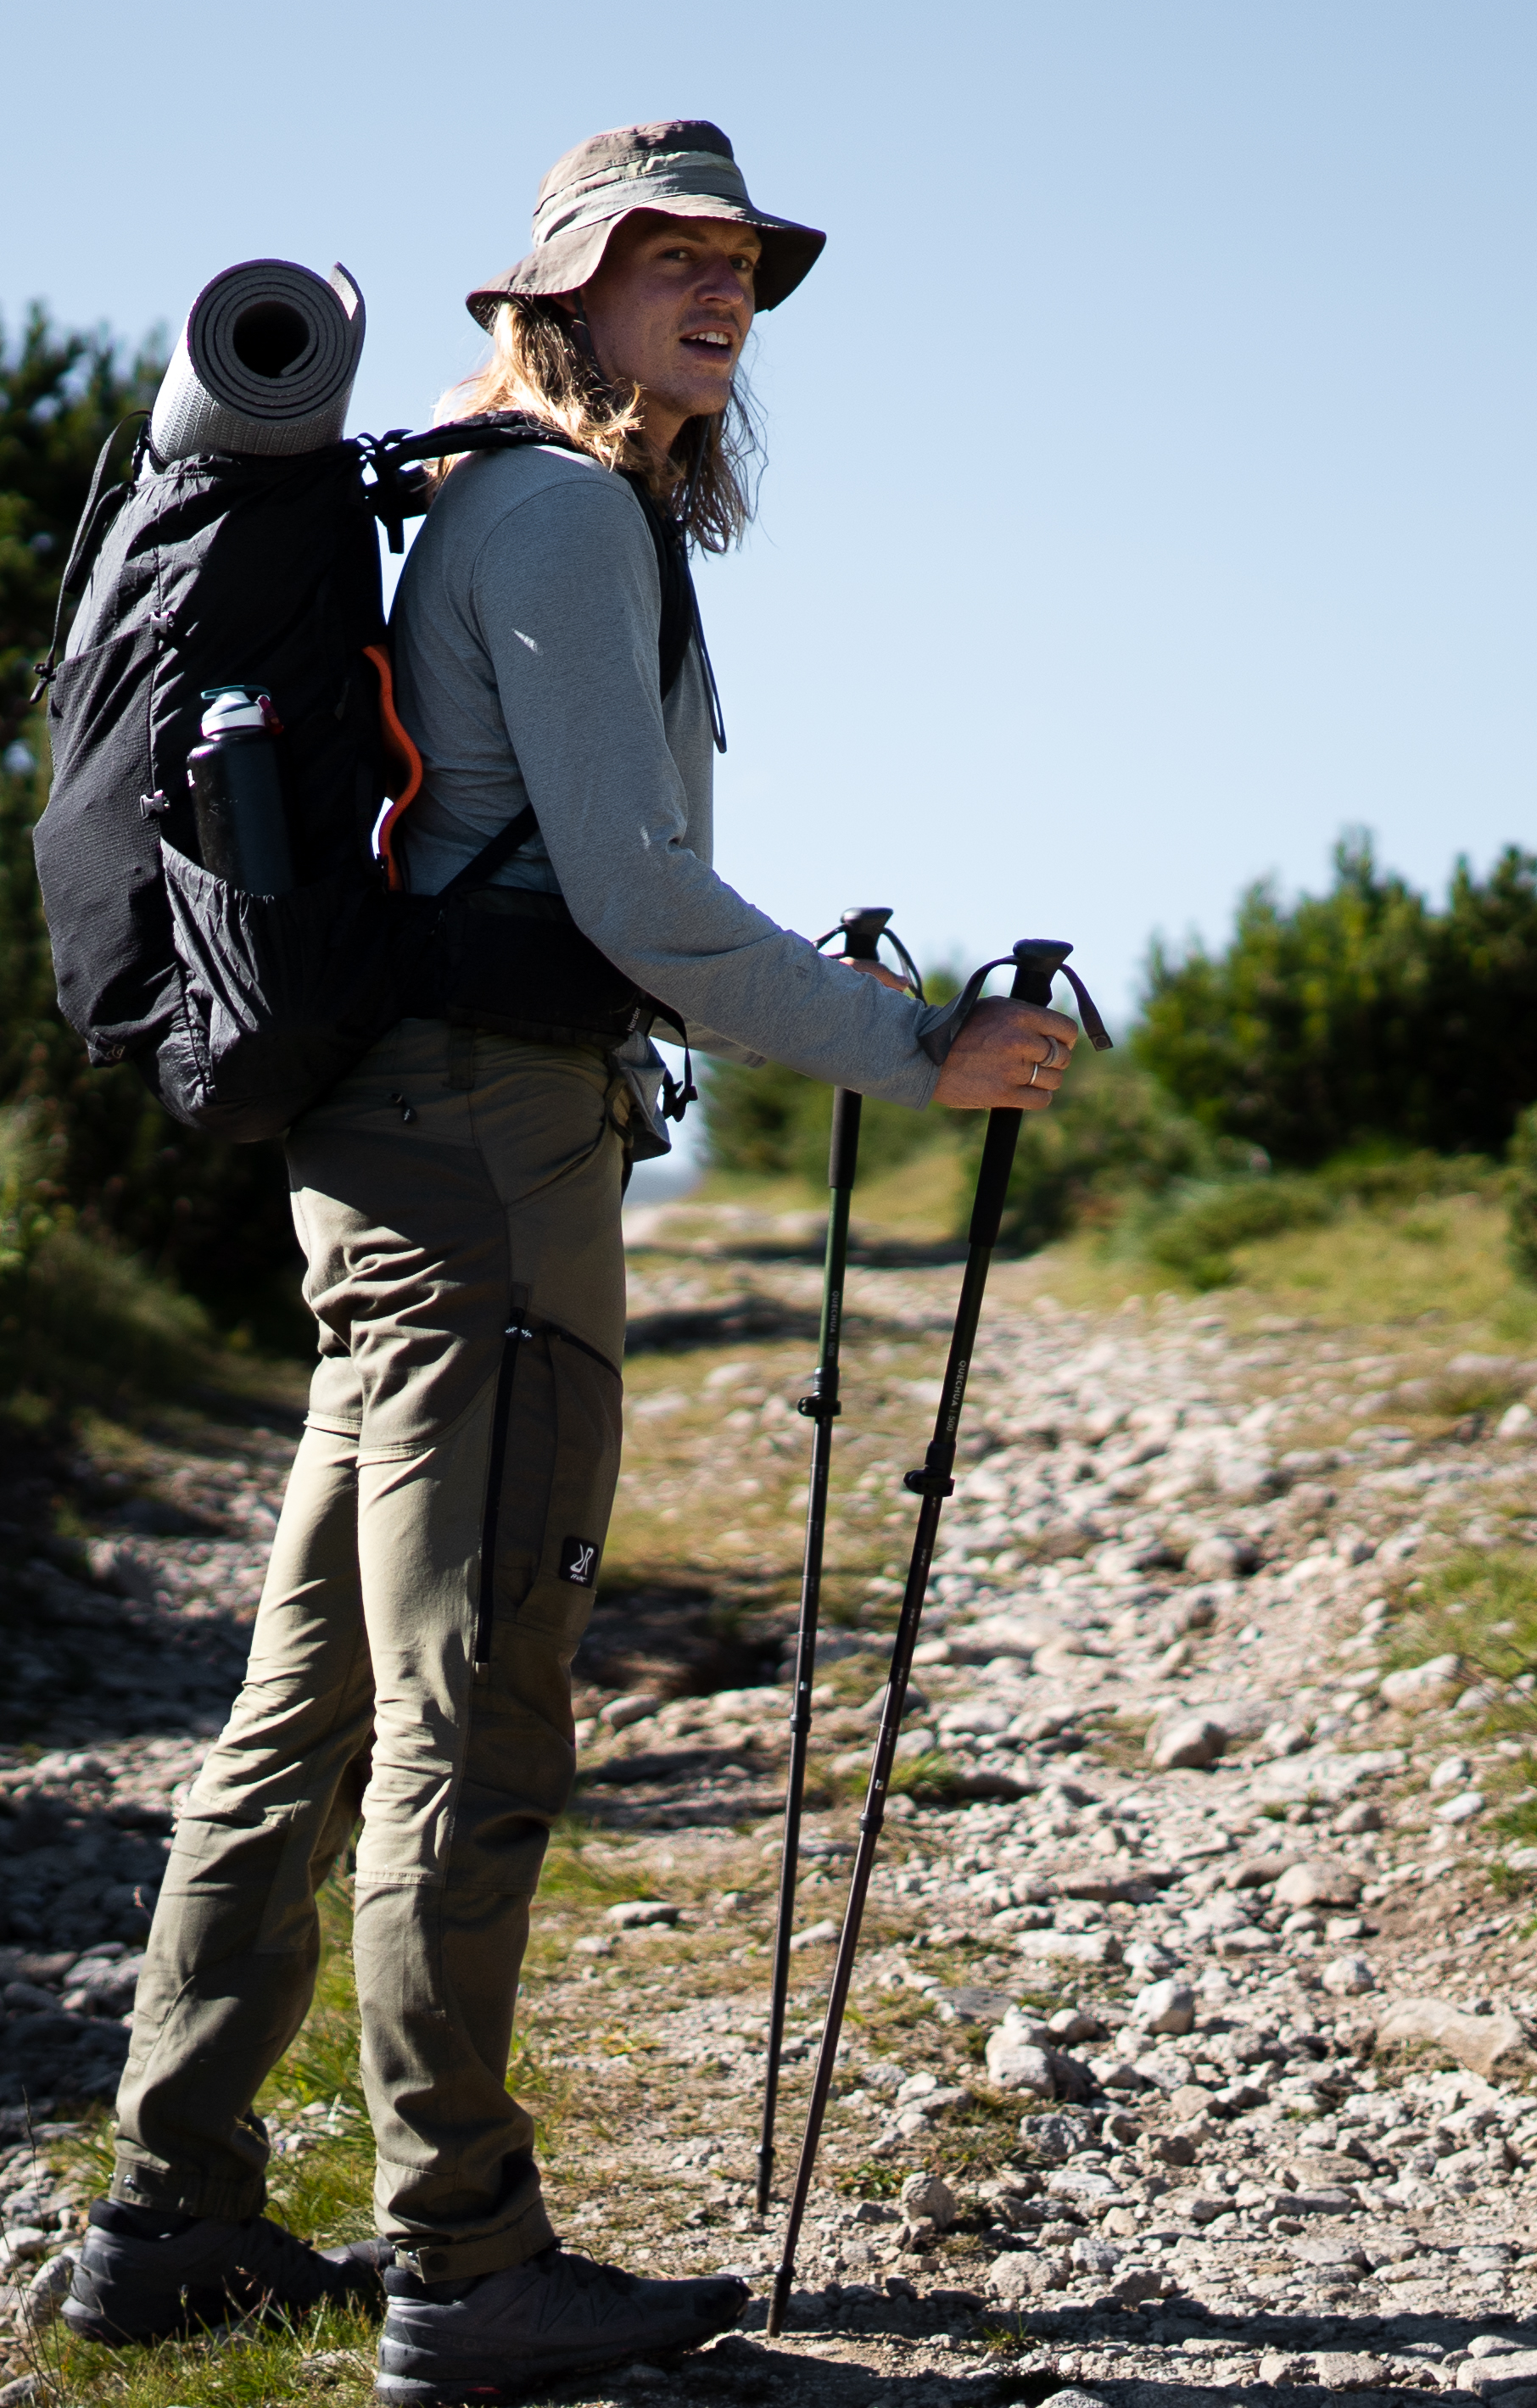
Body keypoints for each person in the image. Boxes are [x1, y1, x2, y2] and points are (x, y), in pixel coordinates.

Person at [57, 120, 1086, 2398]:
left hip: (396, 1149)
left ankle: (172, 2214)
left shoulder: (489, 501)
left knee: (310, 1702)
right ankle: (464, 2261)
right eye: (666, 258)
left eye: (739, 264)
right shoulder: (558, 510)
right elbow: (640, 904)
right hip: (490, 1173)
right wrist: (923, 1051)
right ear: (560, 291)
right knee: (469, 1704)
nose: (716, 294)